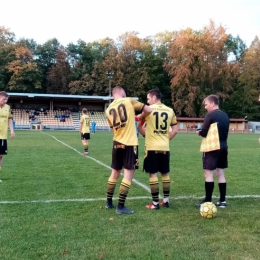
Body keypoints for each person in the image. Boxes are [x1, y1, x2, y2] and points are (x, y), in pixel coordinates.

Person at [105, 86, 152, 214]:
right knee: (128, 174)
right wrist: (140, 116)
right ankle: (121, 206)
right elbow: (148, 109)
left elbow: (112, 128)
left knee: (114, 173)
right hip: (130, 143)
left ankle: (109, 202)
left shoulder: (108, 109)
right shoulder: (128, 101)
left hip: (117, 142)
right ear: (121, 92)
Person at [137, 89, 178, 209]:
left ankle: (155, 204)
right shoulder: (170, 110)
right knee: (165, 173)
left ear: (154, 98)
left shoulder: (148, 110)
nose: (147, 101)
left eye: (148, 99)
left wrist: (144, 131)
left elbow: (139, 123)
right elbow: (175, 130)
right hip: (165, 147)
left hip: (151, 147)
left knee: (153, 174)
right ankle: (166, 201)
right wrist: (165, 140)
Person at [195, 94, 229, 208]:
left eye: (206, 104)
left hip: (212, 147)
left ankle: (208, 201)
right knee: (220, 173)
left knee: (208, 173)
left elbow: (204, 132)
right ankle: (222, 201)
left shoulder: (210, 115)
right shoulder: (225, 115)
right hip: (224, 146)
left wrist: (199, 132)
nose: (205, 107)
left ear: (212, 103)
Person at [0, 91, 15, 182]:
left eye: (6, 99)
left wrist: (12, 130)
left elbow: (9, 119)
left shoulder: (8, 107)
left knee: (1, 156)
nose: (5, 101)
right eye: (4, 99)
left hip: (3, 136)